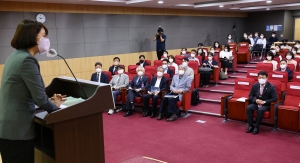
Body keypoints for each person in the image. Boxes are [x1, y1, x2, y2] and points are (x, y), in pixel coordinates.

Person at [0, 19, 66, 163]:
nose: (46, 40)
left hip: (9, 127)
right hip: (17, 131)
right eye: (44, 35)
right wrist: (55, 107)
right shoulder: (27, 60)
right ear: (33, 37)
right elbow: (40, 98)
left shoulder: (16, 56)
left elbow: (28, 92)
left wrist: (48, 100)